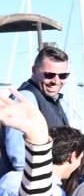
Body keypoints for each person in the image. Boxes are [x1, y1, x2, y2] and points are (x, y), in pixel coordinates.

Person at [1, 44, 70, 177]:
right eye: (49, 75)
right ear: (33, 70)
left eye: (63, 76)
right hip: (30, 185)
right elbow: (19, 157)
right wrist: (37, 182)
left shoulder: (52, 99)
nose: (56, 81)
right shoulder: (26, 98)